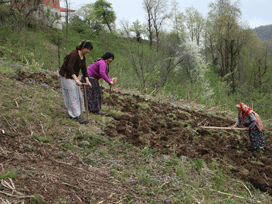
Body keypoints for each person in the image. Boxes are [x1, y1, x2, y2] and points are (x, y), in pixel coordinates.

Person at [59, 40, 93, 124]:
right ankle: (76, 115)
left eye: (89, 49)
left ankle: (75, 113)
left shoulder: (83, 57)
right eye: (87, 49)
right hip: (66, 76)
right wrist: (76, 79)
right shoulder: (74, 54)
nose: (88, 51)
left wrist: (87, 80)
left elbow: (84, 69)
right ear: (82, 47)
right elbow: (70, 67)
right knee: (72, 96)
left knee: (78, 95)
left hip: (73, 76)